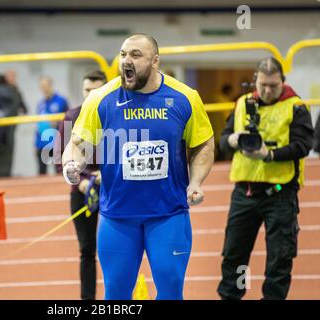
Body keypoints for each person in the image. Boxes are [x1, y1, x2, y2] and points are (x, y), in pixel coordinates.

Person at [62, 33, 214, 300]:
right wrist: (71, 164)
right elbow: (77, 144)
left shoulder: (185, 98)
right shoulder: (100, 98)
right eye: (122, 55)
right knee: (116, 295)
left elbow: (204, 144)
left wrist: (196, 182)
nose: (125, 61)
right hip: (117, 217)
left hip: (168, 215)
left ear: (155, 61)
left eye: (135, 55)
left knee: (170, 292)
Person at [217, 57, 314, 300]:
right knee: (234, 254)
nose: (268, 91)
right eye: (262, 85)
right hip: (244, 193)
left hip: (280, 194)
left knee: (279, 258)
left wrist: (269, 155)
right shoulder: (242, 103)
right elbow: (223, 140)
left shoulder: (296, 107)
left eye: (273, 85)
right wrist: (233, 139)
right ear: (255, 82)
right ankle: (231, 296)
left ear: (283, 82)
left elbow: (303, 146)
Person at [55, 70, 107, 300]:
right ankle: (88, 301)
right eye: (87, 90)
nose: (91, 95)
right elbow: (59, 159)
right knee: (87, 250)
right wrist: (83, 180)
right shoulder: (71, 116)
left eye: (97, 90)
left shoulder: (117, 114)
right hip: (81, 192)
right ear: (82, 90)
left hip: (113, 192)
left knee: (115, 249)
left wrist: (108, 175)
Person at [36, 76, 68, 175]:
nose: (44, 89)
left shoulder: (61, 101)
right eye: (42, 86)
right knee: (41, 173)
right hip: (42, 143)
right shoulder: (40, 103)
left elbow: (69, 119)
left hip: (57, 142)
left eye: (46, 86)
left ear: (51, 85)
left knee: (58, 171)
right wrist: (36, 144)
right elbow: (38, 124)